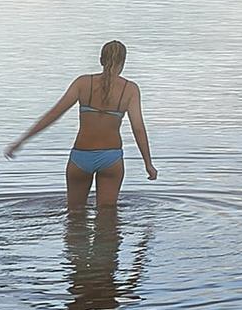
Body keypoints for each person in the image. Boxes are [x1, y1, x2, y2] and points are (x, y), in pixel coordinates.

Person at [8, 39, 155, 218]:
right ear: (123, 63)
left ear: (101, 60)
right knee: (108, 218)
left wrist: (21, 140)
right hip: (112, 158)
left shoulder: (83, 83)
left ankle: (75, 243)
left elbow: (53, 114)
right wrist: (148, 164)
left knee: (74, 216)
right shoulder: (130, 90)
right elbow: (138, 128)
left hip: (80, 158)